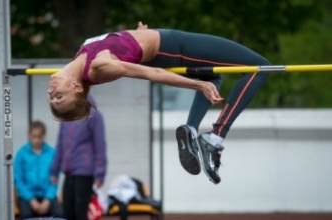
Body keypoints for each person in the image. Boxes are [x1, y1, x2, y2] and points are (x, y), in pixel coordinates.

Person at [48, 22, 270, 184]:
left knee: (213, 77)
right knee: (258, 67)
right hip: (175, 46)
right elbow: (152, 74)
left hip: (160, 46)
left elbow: (119, 44)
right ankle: (215, 138)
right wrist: (196, 86)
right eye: (59, 97)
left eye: (53, 97)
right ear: (76, 87)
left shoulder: (80, 56)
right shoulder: (99, 66)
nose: (51, 92)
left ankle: (191, 130)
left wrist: (138, 36)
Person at [51, 95, 107, 220]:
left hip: (84, 172)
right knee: (67, 212)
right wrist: (54, 170)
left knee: (80, 212)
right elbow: (60, 143)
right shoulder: (66, 115)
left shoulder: (94, 115)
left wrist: (100, 173)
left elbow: (100, 145)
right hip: (68, 172)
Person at [14, 121, 63, 219]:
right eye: (33, 137)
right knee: (26, 215)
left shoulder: (52, 153)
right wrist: (31, 199)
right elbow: (18, 180)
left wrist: (48, 199)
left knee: (60, 214)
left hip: (47, 196)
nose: (36, 140)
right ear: (29, 136)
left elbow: (55, 179)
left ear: (44, 136)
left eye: (39, 137)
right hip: (27, 196)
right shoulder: (21, 153)